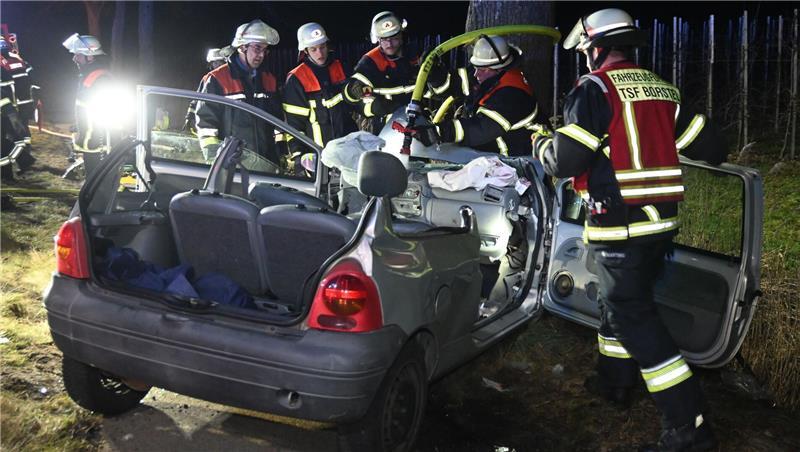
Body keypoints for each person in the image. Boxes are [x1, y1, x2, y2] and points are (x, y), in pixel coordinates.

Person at [532, 9, 726, 451]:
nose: (585, 59)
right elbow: (714, 147)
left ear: (596, 48)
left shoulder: (594, 88)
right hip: (661, 227)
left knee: (633, 317)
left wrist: (542, 144)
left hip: (621, 227)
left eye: (586, 52)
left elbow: (567, 161)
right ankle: (615, 381)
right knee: (618, 303)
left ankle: (689, 427)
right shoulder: (663, 89)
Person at [425, 35, 539, 157]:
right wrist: (435, 75)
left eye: (481, 69)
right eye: (475, 67)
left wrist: (439, 132)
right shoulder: (488, 74)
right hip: (496, 155)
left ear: (499, 69)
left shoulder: (513, 95)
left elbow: (480, 129)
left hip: (523, 161)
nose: (475, 74)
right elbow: (454, 83)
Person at [343, 11, 449, 134]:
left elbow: (442, 91)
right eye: (384, 40)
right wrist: (353, 90)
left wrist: (435, 74)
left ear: (402, 35)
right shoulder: (370, 62)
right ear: (377, 39)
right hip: (386, 129)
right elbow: (352, 99)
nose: (389, 44)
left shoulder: (417, 55)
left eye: (394, 38)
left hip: (420, 124)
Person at [196, 20, 283, 163]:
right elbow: (206, 125)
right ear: (242, 47)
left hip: (266, 165)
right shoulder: (217, 79)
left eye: (265, 50)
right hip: (232, 165)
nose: (261, 55)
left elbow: (278, 122)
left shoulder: (269, 80)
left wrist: (280, 153)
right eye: (257, 48)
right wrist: (214, 159)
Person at [283, 22, 356, 173]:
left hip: (348, 150)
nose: (320, 53)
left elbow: (354, 107)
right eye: (313, 49)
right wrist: (299, 156)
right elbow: (294, 125)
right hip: (318, 155)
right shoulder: (297, 78)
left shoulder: (341, 67)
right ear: (305, 51)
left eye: (322, 47)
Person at [62, 33, 114, 177]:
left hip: (96, 141)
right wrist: (78, 124)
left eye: (77, 55)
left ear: (89, 57)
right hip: (91, 139)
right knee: (92, 176)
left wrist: (95, 134)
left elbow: (105, 111)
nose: (74, 58)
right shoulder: (89, 75)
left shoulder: (100, 78)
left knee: (96, 176)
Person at [0, 35, 35, 175]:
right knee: (15, 135)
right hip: (16, 105)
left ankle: (18, 164)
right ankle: (23, 160)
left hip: (8, 108)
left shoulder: (3, 65)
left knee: (7, 138)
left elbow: (4, 91)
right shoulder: (17, 61)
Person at [183, 46, 233, 133]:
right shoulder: (207, 79)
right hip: (212, 122)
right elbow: (196, 100)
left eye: (221, 62)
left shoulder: (231, 79)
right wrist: (189, 118)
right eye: (216, 63)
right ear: (211, 64)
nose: (219, 65)